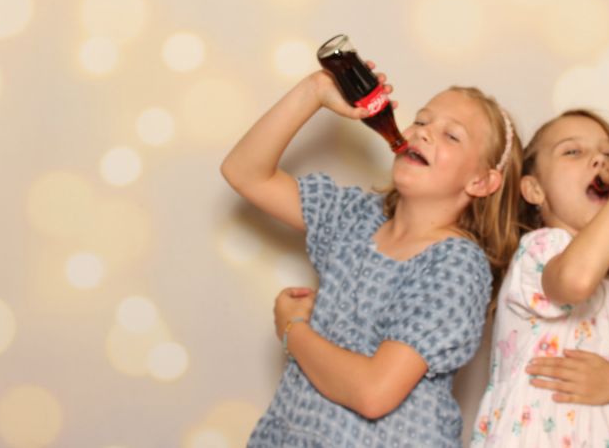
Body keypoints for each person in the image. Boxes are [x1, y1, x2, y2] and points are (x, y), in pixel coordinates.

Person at [219, 64, 523, 447]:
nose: (423, 131)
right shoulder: (354, 218)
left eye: (451, 135)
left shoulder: (457, 266)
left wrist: (293, 330)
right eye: (421, 120)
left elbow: (374, 393)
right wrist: (315, 90)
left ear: (481, 181)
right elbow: (244, 171)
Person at [471, 109, 609, 448]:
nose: (599, 161)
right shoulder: (538, 251)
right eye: (573, 151)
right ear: (534, 190)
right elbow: (576, 281)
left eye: (608, 154)